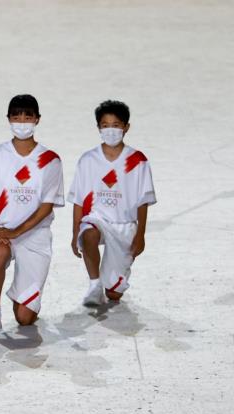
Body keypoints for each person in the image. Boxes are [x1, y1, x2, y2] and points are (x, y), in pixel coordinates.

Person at [0, 95, 64, 332]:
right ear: (8, 119)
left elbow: (46, 207)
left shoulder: (50, 160)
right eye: (16, 116)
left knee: (24, 318)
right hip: (1, 231)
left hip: (35, 236)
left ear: (37, 120)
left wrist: (17, 231)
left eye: (28, 116)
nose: (22, 121)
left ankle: (22, 296)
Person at [68, 100, 156, 306]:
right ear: (98, 127)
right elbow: (79, 200)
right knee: (88, 233)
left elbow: (143, 202)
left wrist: (141, 235)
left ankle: (108, 285)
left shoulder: (137, 161)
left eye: (116, 125)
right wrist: (75, 234)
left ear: (126, 127)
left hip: (124, 224)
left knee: (114, 294)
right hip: (97, 218)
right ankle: (94, 284)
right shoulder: (88, 160)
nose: (110, 130)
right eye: (105, 125)